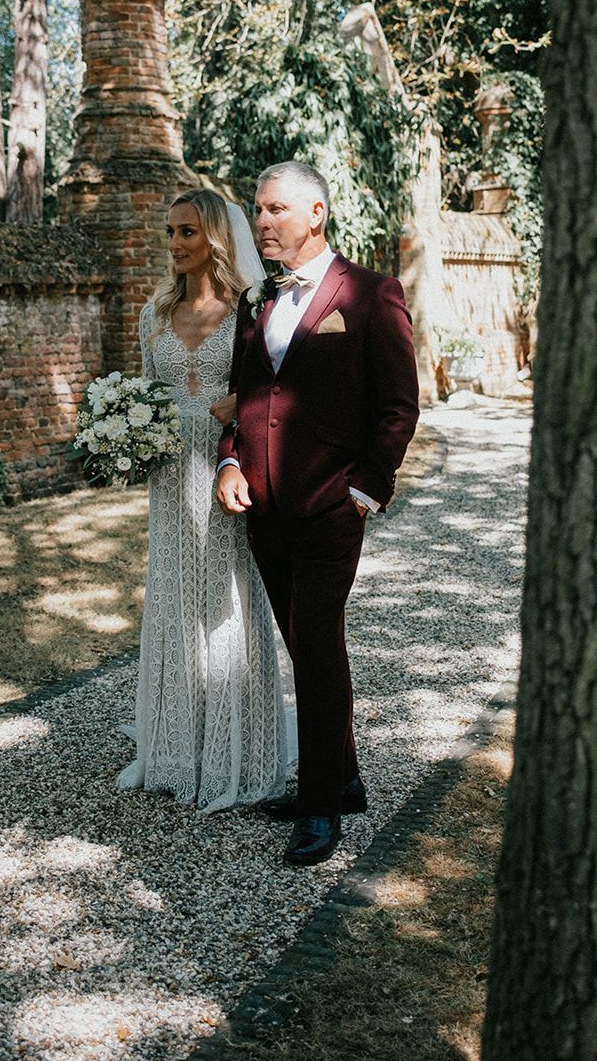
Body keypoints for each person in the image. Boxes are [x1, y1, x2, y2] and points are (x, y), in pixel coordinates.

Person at [216, 161, 420, 866]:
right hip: (263, 506)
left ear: (315, 214)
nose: (262, 221)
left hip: (332, 505)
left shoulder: (368, 294)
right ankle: (347, 779)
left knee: (318, 646)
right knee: (304, 647)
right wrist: (229, 461)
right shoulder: (254, 301)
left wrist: (363, 491)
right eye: (257, 209)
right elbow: (241, 395)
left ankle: (320, 806)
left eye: (276, 209)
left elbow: (397, 407)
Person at [117, 189, 289, 813]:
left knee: (229, 599)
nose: (175, 244)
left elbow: (274, 392)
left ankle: (240, 751)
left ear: (214, 236)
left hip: (226, 469)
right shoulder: (154, 312)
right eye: (170, 232)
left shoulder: (251, 311)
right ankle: (173, 748)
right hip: (169, 473)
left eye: (187, 231)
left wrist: (237, 410)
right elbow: (143, 390)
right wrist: (126, 430)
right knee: (173, 595)